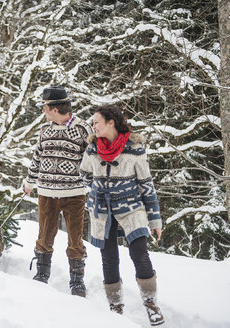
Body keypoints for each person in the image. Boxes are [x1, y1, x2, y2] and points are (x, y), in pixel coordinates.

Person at [79, 104, 164, 326]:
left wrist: (155, 219)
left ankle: (150, 304)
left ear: (111, 122)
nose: (93, 126)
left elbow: (146, 184)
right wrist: (97, 187)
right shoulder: (92, 149)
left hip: (131, 210)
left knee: (139, 254)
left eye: (97, 122)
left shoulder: (135, 148)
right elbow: (84, 172)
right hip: (102, 211)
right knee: (109, 258)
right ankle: (115, 307)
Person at [23, 86, 93, 297]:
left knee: (75, 238)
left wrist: (89, 183)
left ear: (54, 108)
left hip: (74, 193)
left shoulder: (83, 129)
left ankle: (77, 281)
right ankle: (42, 275)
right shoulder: (45, 130)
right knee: (44, 235)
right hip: (46, 192)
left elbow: (92, 161)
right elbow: (37, 157)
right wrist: (29, 182)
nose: (43, 111)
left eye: (44, 107)